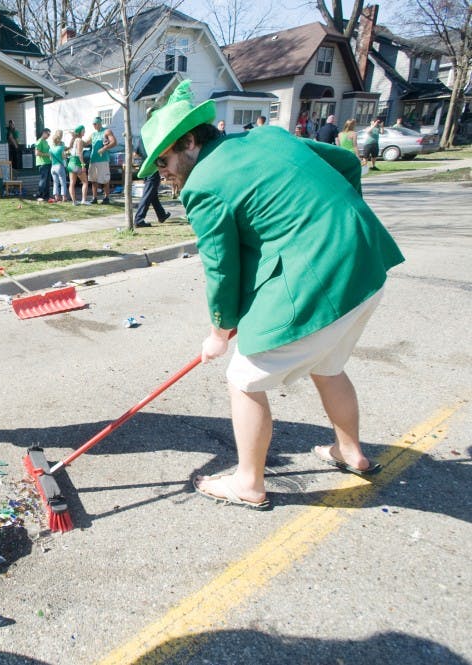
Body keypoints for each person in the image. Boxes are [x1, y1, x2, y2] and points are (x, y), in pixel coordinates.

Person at [137, 80, 404, 510]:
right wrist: (339, 219)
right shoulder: (268, 135)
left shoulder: (202, 184)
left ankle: (248, 482)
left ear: (188, 141)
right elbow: (345, 163)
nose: (160, 173)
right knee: (328, 364)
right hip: (367, 260)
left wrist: (219, 333)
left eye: (163, 160)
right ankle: (350, 451)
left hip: (322, 276)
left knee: (243, 379)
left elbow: (222, 268)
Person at [131, 130, 170, 228]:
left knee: (152, 194)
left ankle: (161, 215)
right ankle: (139, 219)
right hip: (153, 168)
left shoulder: (141, 138)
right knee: (148, 195)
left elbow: (135, 154)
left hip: (145, 168)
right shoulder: (153, 139)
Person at [85, 116, 117, 204]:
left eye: (95, 124)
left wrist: (104, 148)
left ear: (99, 123)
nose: (94, 126)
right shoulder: (93, 134)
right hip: (93, 159)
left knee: (105, 179)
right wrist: (77, 137)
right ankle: (94, 198)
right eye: (93, 124)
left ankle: (106, 197)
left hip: (103, 160)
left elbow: (114, 142)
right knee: (93, 180)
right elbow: (85, 143)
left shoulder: (106, 131)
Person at [67, 124, 89, 205]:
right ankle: (83, 200)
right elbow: (80, 153)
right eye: (83, 131)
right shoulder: (79, 140)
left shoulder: (74, 140)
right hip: (77, 163)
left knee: (72, 183)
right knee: (85, 182)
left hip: (70, 163)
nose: (84, 132)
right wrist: (83, 165)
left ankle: (74, 202)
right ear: (80, 132)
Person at [49, 129, 68, 202]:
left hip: (53, 167)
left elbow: (50, 158)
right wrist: (65, 164)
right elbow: (63, 157)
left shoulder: (51, 149)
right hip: (59, 166)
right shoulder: (61, 148)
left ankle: (56, 197)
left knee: (55, 182)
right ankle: (64, 197)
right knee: (63, 182)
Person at [34, 127, 53, 202]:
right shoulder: (39, 141)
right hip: (42, 163)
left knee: (48, 181)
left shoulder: (46, 142)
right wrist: (47, 155)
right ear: (44, 133)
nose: (49, 136)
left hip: (48, 163)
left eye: (49, 134)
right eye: (48, 134)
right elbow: (37, 153)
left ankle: (46, 195)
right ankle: (39, 195)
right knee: (43, 180)